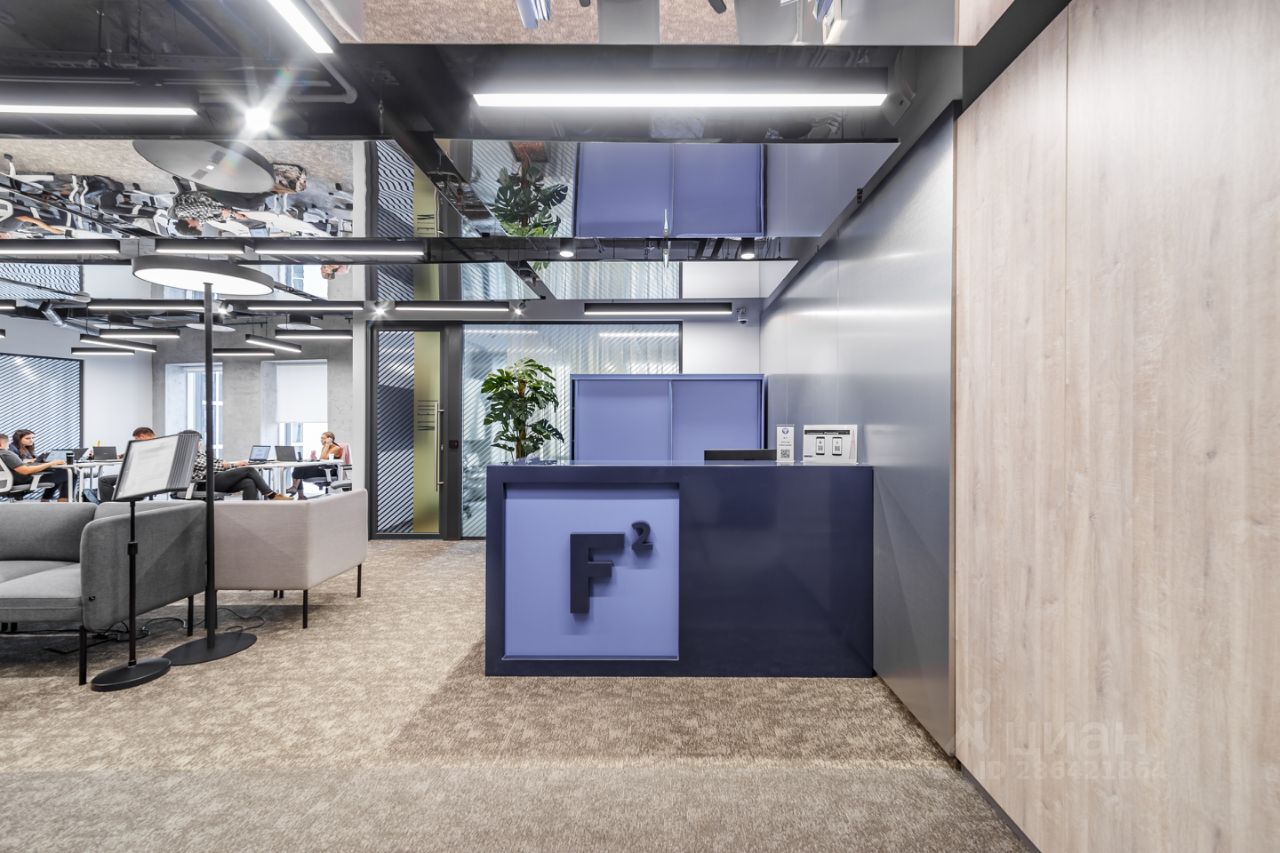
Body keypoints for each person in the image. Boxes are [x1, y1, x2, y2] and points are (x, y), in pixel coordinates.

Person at [191, 442, 290, 501]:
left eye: (200, 441)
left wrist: (225, 464)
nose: (200, 444)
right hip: (205, 483)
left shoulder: (201, 454)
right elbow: (214, 466)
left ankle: (249, 512)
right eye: (198, 441)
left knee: (249, 482)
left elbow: (219, 462)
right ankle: (271, 495)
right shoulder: (190, 456)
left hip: (217, 479)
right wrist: (235, 465)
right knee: (249, 470)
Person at [5, 429, 74, 501]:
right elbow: (16, 462)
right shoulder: (11, 448)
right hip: (25, 478)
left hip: (28, 476)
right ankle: (59, 499)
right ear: (18, 439)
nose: (31, 440)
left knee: (61, 472)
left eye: (33, 438)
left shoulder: (26, 448)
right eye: (27, 438)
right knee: (68, 473)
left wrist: (39, 459)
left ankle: (47, 498)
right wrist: (48, 463)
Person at [96, 426, 155, 502]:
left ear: (142, 436)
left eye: (136, 439)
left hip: (138, 479)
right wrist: (120, 456)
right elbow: (131, 453)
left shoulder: (148, 446)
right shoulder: (151, 445)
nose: (136, 441)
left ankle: (110, 504)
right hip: (135, 477)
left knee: (103, 480)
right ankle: (111, 503)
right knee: (105, 480)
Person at [287, 431, 343, 498]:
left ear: (330, 439)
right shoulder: (325, 447)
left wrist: (327, 445)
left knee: (300, 468)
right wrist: (314, 459)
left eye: (323, 438)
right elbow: (322, 459)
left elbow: (323, 458)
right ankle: (298, 492)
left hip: (329, 470)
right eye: (321, 438)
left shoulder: (336, 448)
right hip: (322, 468)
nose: (321, 440)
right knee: (299, 466)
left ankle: (295, 489)